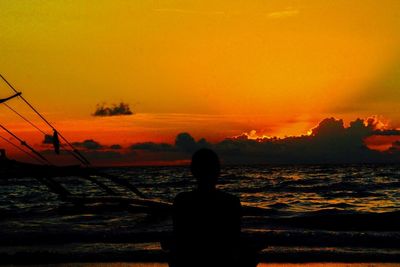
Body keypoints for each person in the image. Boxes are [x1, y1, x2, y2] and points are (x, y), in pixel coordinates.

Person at [168, 148, 257, 267]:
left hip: (188, 260)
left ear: (193, 171)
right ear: (218, 171)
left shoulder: (181, 200)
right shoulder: (231, 201)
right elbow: (233, 239)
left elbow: (179, 237)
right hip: (221, 260)